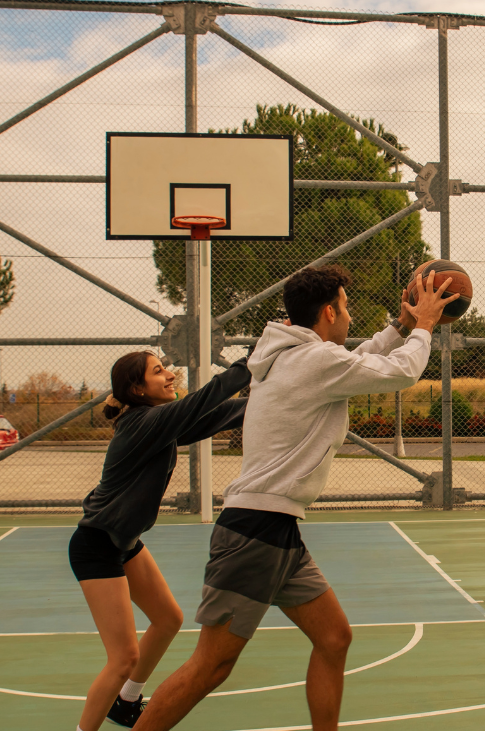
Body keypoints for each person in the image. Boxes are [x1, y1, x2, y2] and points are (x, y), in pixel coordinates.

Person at [133, 264, 460, 731]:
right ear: (328, 313)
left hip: (276, 529)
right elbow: (399, 371)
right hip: (255, 533)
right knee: (211, 665)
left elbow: (358, 359)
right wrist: (424, 326)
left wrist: (401, 326)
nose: (349, 316)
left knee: (334, 638)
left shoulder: (296, 355)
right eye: (345, 307)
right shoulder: (313, 361)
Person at [69, 351, 250, 730]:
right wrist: (250, 363)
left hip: (123, 542)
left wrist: (277, 399)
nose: (169, 375)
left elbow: (217, 415)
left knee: (168, 619)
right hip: (97, 546)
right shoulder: (143, 423)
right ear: (138, 389)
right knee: (123, 659)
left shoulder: (158, 423)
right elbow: (205, 400)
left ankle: (126, 703)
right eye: (158, 371)